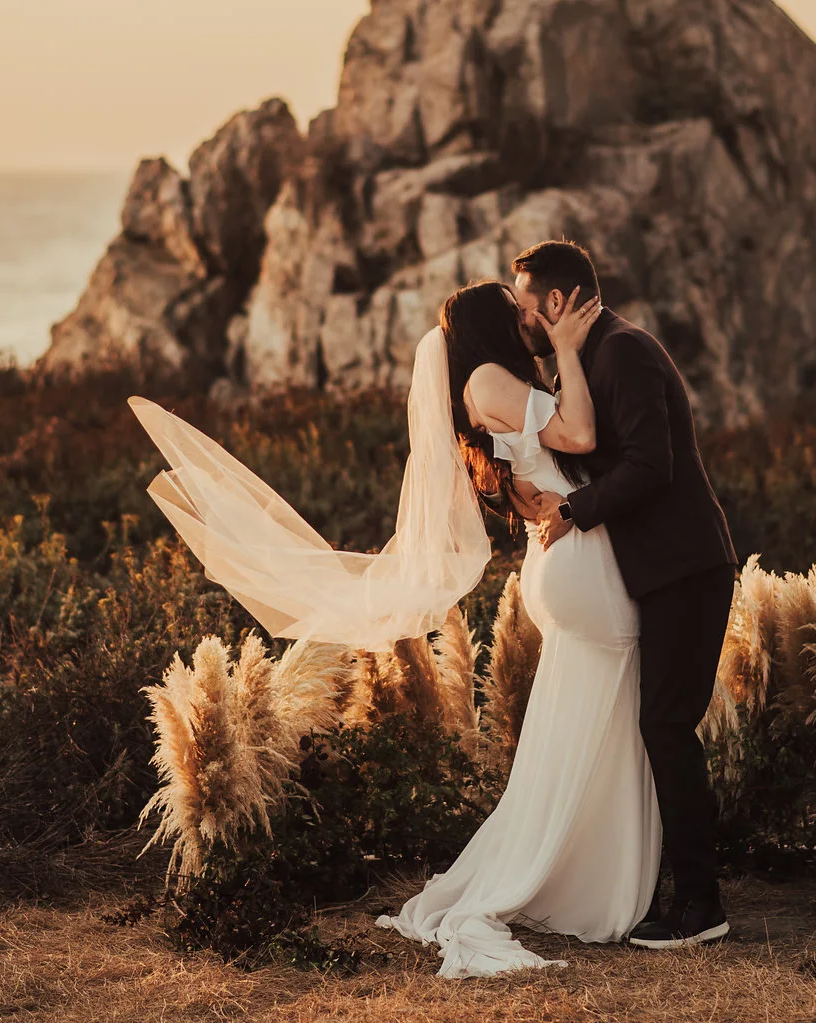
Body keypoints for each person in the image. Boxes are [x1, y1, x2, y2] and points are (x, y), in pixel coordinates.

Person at [127, 274, 666, 978]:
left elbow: (546, 453)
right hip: (578, 561)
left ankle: (581, 872)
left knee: (581, 721)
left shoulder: (485, 384)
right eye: (516, 313)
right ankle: (591, 882)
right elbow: (583, 432)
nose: (527, 320)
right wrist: (567, 346)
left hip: (564, 557)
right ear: (490, 327)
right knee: (608, 707)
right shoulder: (491, 380)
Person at [511, 239, 738, 949]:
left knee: (666, 726)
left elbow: (651, 466)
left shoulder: (625, 352)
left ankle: (701, 905)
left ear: (555, 303)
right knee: (660, 727)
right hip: (658, 572)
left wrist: (573, 511)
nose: (521, 321)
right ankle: (682, 890)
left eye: (524, 307)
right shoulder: (592, 356)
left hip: (686, 569)